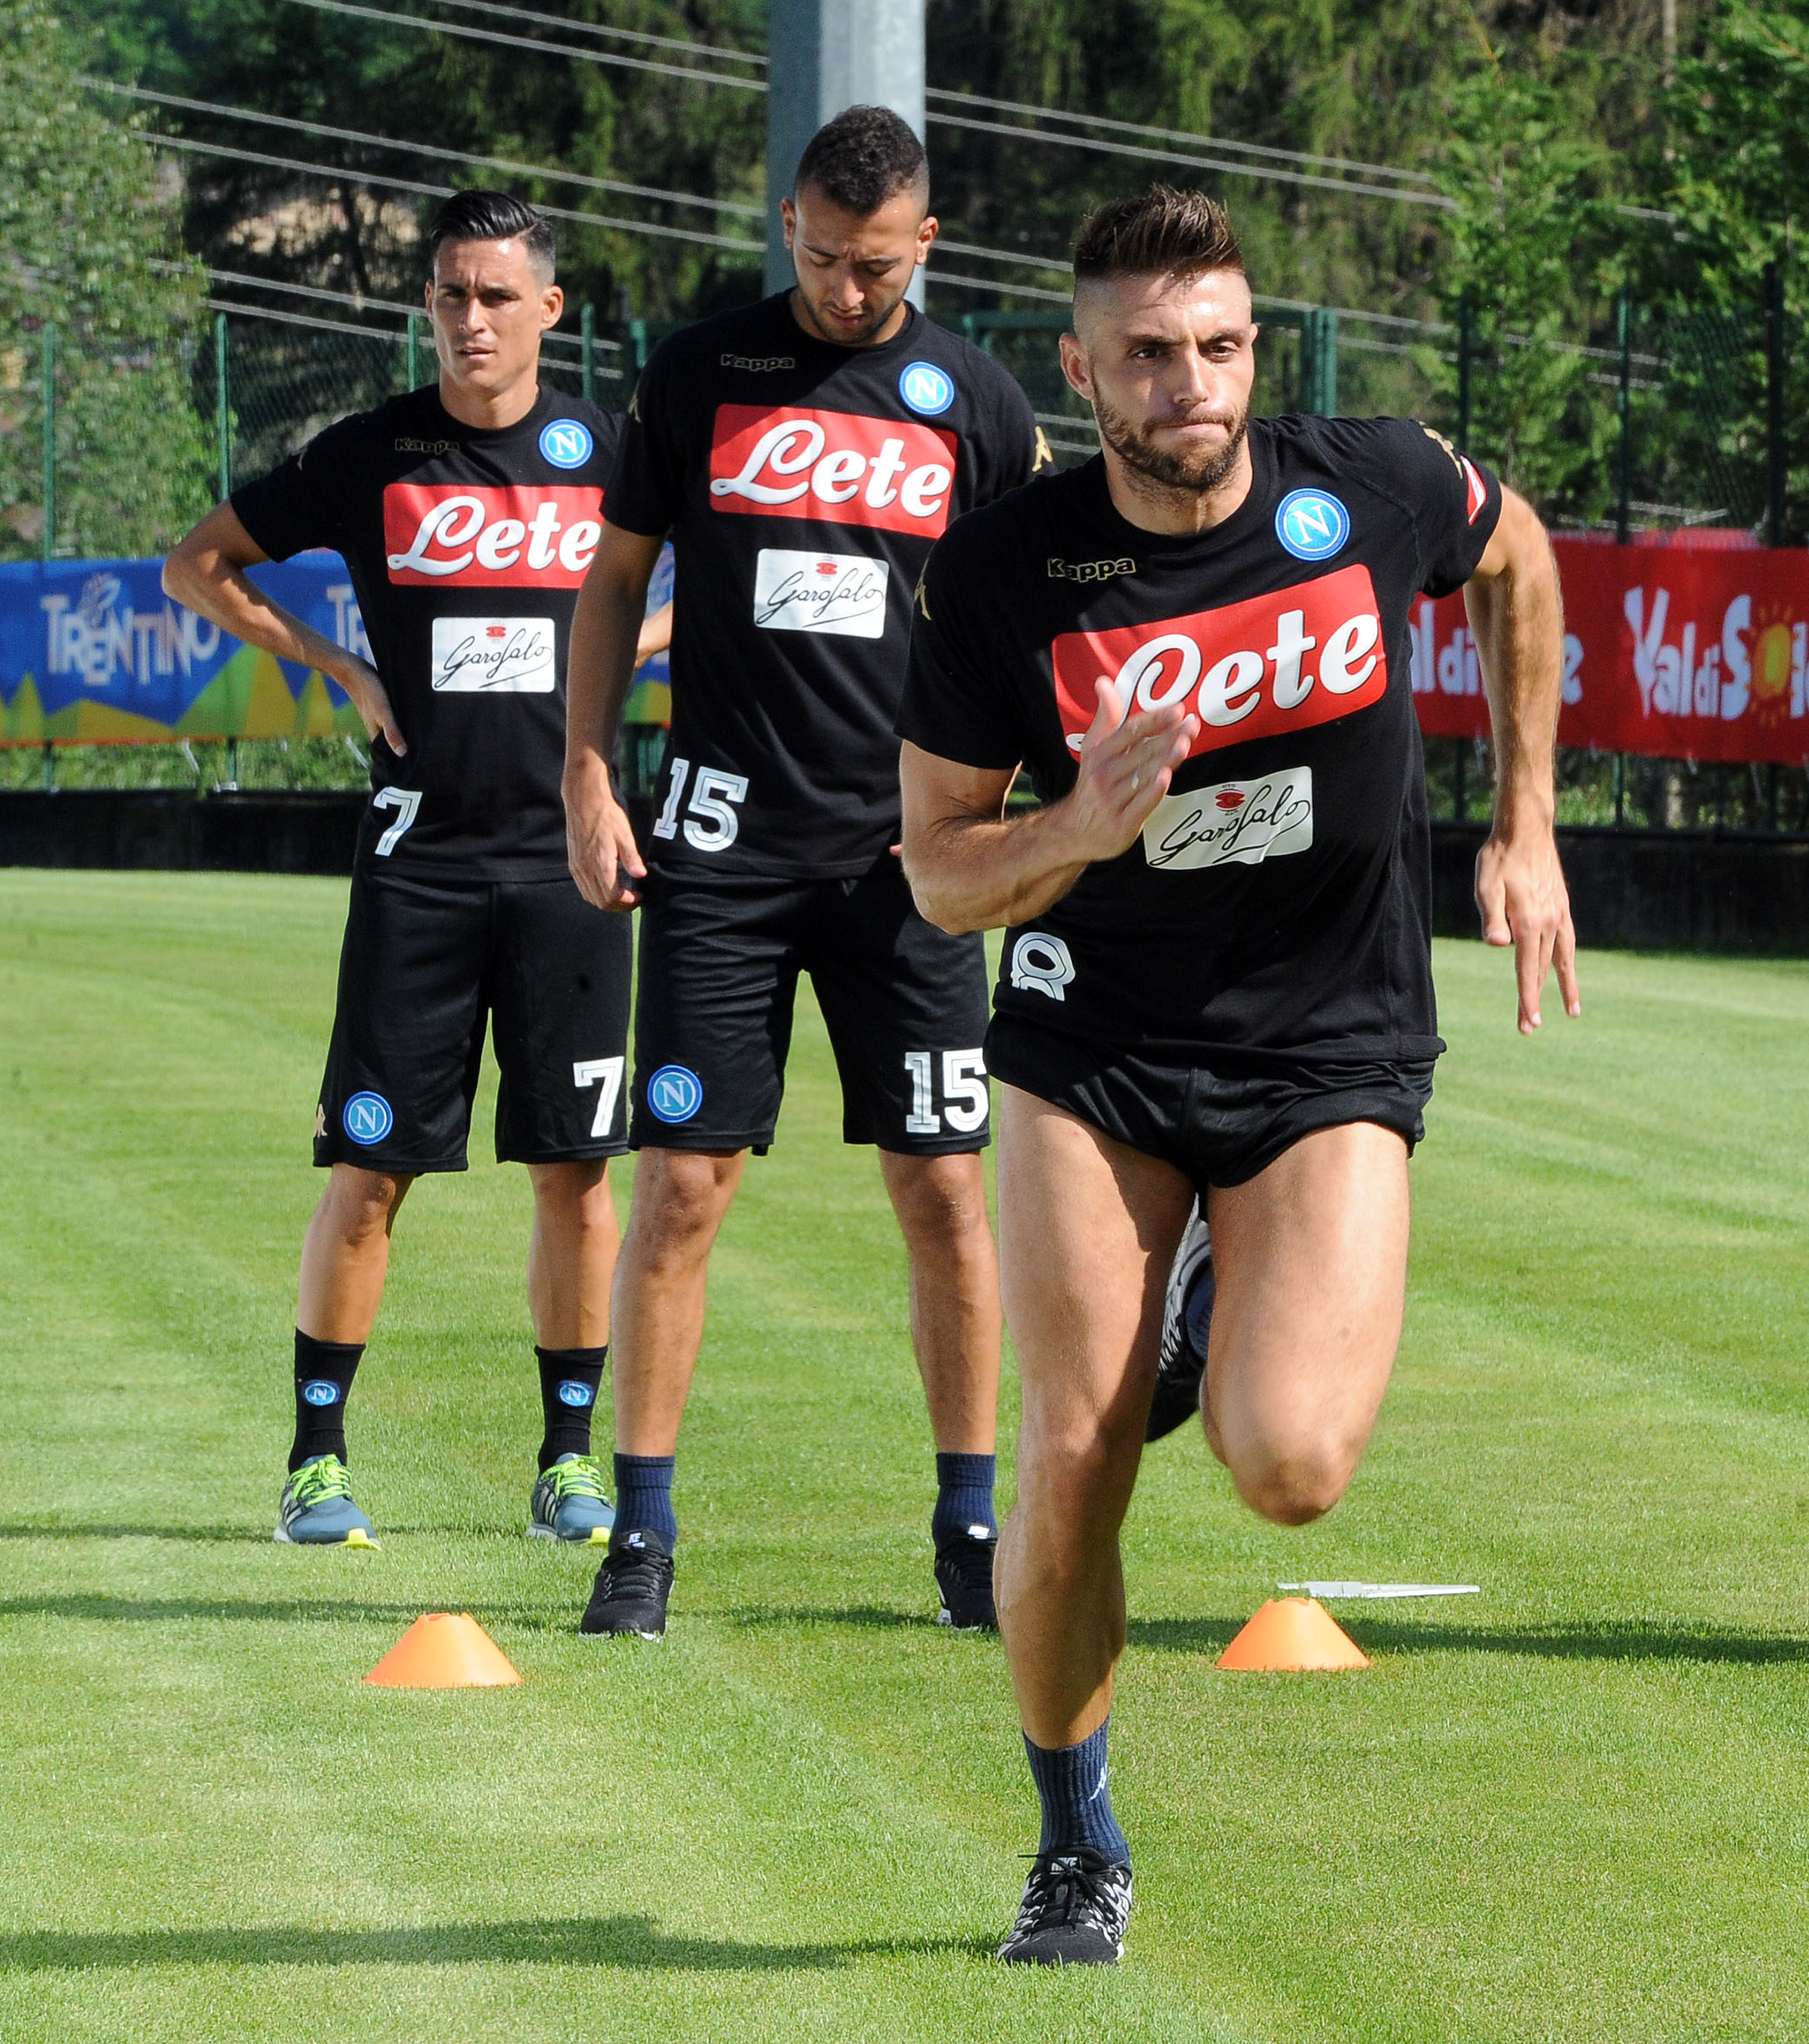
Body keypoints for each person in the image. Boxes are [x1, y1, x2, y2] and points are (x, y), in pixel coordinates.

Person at [897, 185, 1577, 1964]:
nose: (1186, 384)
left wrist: (1525, 822)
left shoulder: (1367, 487)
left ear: (1253, 352)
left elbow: (1524, 561)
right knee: (1071, 1443)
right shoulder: (1005, 571)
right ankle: (1073, 1839)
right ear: (1079, 369)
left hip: (1323, 1039)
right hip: (1088, 1045)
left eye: (1216, 347)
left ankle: (1194, 1312)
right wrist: (1079, 816)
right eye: (1144, 355)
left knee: (1288, 1464)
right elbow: (935, 868)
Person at [558, 108, 1050, 1637]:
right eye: (827, 259)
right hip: (720, 847)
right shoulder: (703, 370)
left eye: (879, 263)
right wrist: (585, 765)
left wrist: (1021, 813)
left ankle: (971, 1525)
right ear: (788, 227)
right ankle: (640, 1530)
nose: (849, 288)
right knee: (686, 1186)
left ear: (930, 244)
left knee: (944, 1192)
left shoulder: (976, 400)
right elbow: (615, 578)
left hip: (914, 861)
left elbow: (1043, 613)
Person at [164, 190, 671, 1549]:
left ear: (547, 310)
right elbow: (194, 564)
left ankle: (569, 1463)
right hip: (421, 865)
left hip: (576, 854)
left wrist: (642, 641)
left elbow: (726, 579)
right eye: (450, 293)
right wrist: (329, 661)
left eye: (497, 296)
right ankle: (314, 1462)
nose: (470, 319)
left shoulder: (615, 453)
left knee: (574, 1171)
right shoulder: (376, 451)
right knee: (370, 1170)